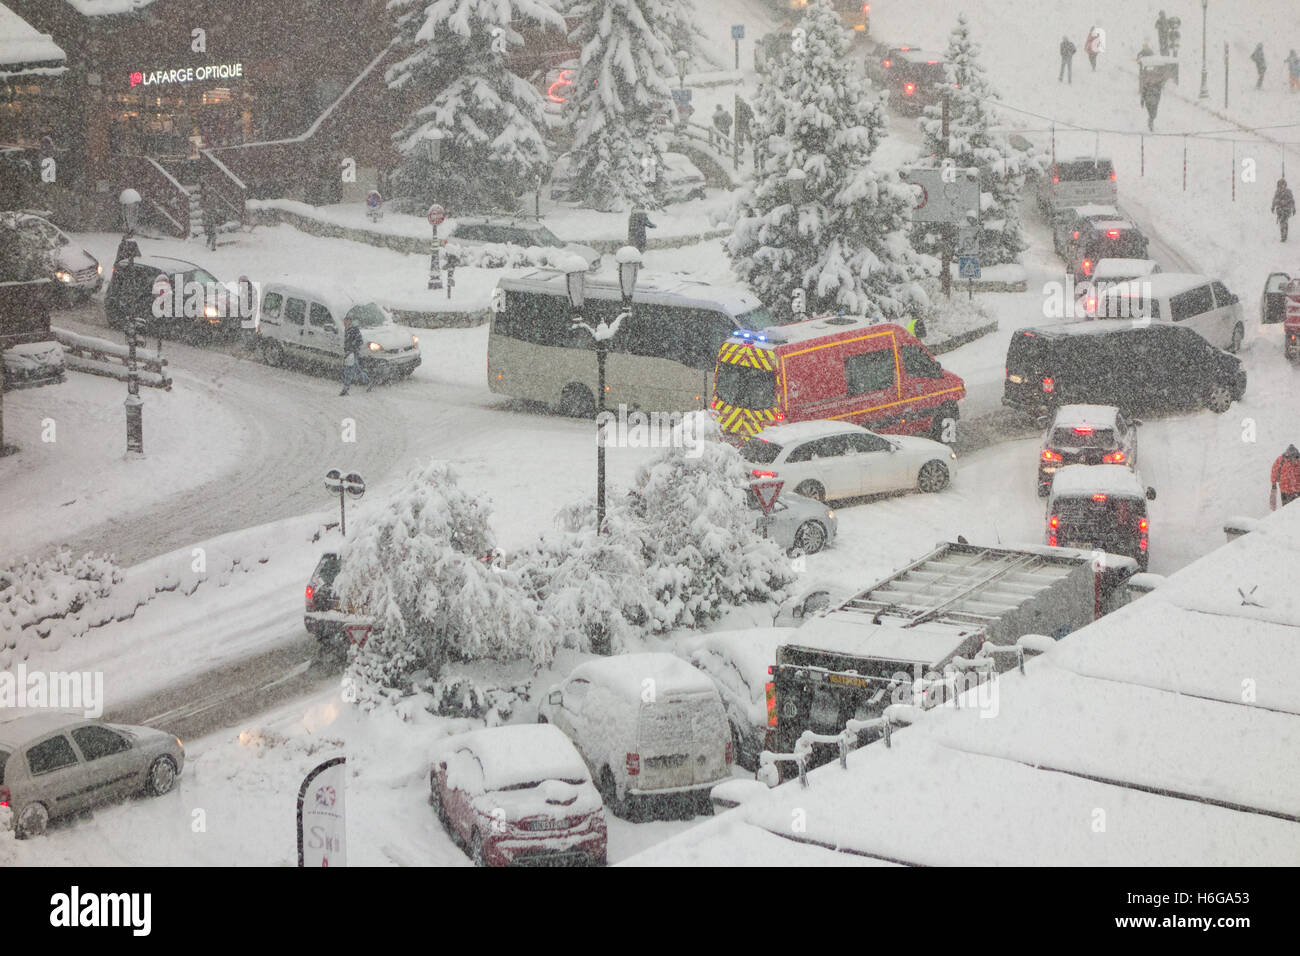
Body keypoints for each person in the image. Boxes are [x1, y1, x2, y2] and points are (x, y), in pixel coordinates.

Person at [339, 315, 372, 395]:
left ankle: (345, 389)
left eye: (346, 320)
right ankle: (368, 382)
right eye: (344, 321)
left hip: (353, 354)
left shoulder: (354, 329)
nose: (344, 322)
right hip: (349, 353)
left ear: (350, 321)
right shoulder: (347, 329)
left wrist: (352, 348)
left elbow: (360, 341)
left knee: (349, 371)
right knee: (355, 370)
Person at [1270, 444, 1300, 509]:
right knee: (1286, 508)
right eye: (1291, 457)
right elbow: (1274, 472)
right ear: (1287, 456)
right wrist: (1273, 484)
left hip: (1298, 490)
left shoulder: (1299, 461)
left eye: (1295, 457)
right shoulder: (1281, 460)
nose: (1293, 460)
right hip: (1285, 491)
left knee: (1296, 509)